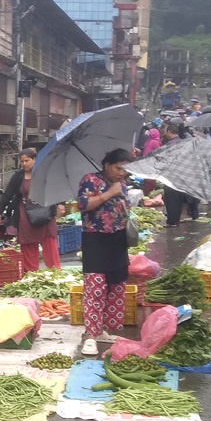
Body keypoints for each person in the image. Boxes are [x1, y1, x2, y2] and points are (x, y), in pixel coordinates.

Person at [76, 149, 133, 356]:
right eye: (118, 168)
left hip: (117, 241)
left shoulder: (123, 185)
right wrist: (109, 194)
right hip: (95, 240)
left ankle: (102, 330)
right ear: (107, 164)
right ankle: (90, 335)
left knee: (116, 287)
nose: (121, 173)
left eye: (125, 169)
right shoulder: (90, 180)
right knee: (95, 288)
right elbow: (82, 205)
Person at [0, 149, 61, 272]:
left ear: (34, 159)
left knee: (49, 241)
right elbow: (8, 194)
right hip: (24, 213)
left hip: (45, 212)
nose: (24, 164)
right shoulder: (18, 176)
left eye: (27, 160)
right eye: (22, 161)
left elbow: (56, 188)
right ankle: (31, 273)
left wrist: (61, 203)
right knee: (28, 243)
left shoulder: (44, 173)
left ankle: (55, 271)